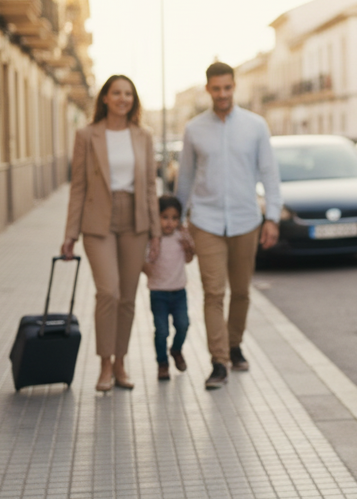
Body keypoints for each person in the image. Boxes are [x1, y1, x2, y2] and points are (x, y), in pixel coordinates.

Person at [175, 62, 281, 390]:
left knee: (242, 291)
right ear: (208, 89)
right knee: (213, 293)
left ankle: (234, 345)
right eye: (216, 89)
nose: (222, 94)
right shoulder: (194, 129)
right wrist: (177, 221)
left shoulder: (256, 126)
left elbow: (269, 172)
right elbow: (185, 177)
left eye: (227, 88)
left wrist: (272, 217)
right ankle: (219, 361)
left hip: (246, 220)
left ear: (234, 87)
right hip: (205, 221)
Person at [62, 75, 161, 393]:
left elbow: (150, 186)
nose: (122, 98)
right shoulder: (87, 135)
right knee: (109, 292)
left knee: (128, 297)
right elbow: (78, 186)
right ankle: (104, 363)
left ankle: (120, 362)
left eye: (128, 93)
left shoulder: (143, 136)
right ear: (104, 97)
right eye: (116, 93)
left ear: (134, 99)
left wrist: (156, 232)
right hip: (98, 221)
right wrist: (70, 233)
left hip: (135, 219)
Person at [144, 195, 193, 381]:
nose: (169, 223)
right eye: (164, 217)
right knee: (162, 330)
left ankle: (176, 349)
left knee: (183, 324)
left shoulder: (181, 237)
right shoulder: (152, 240)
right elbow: (145, 264)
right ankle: (162, 363)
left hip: (179, 292)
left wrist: (188, 246)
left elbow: (189, 259)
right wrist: (150, 258)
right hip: (158, 293)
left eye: (174, 218)